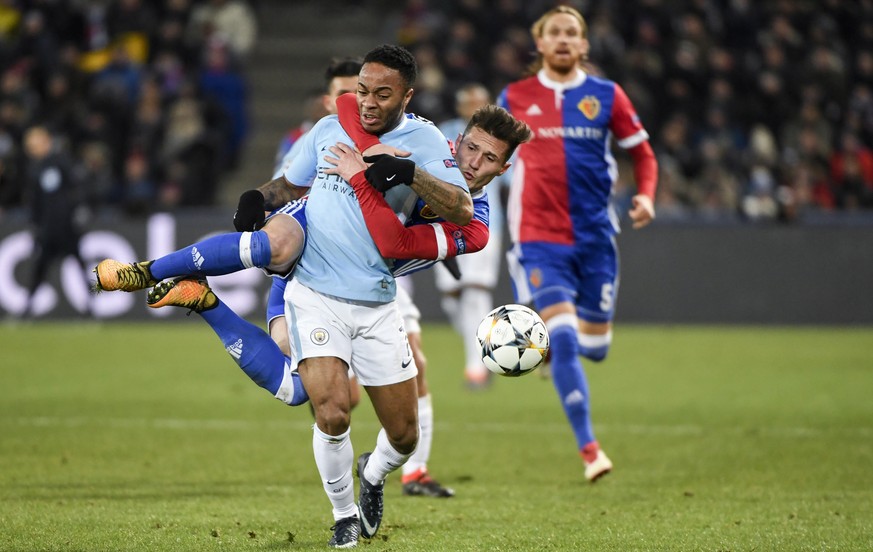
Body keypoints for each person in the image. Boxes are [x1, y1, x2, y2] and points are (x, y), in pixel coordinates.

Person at [497, 6, 658, 483]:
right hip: (539, 239)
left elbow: (642, 153)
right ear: (540, 44)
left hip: (595, 238)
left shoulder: (607, 95)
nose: (564, 40)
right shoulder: (516, 96)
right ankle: (591, 451)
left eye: (573, 33)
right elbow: (487, 156)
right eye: (555, 33)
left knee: (595, 346)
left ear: (584, 45)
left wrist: (646, 195)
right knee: (565, 338)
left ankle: (546, 351)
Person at [435, 83, 505, 388]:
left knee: (474, 291)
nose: (476, 109)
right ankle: (481, 347)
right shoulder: (442, 133)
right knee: (452, 297)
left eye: (482, 103)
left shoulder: (502, 141)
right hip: (442, 222)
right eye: (470, 103)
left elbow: (514, 178)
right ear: (461, 107)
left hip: (485, 224)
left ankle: (476, 368)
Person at [22, 125, 91, 317]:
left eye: (34, 144)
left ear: (46, 142)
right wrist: (36, 225)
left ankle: (91, 308)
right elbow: (35, 201)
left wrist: (78, 212)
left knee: (79, 265)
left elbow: (76, 188)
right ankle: (26, 309)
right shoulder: (34, 169)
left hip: (66, 227)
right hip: (47, 229)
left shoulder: (61, 162)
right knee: (40, 268)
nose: (31, 149)